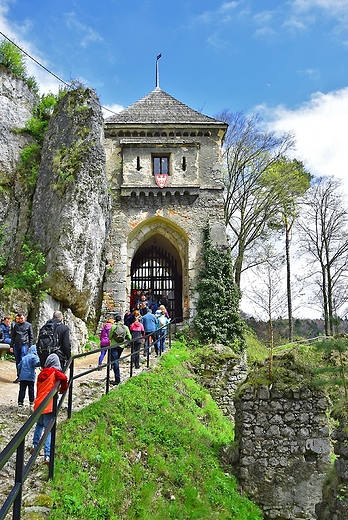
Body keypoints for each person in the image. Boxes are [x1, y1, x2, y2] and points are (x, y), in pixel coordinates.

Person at [30, 353, 68, 464]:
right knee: (48, 430)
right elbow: (64, 378)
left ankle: (34, 444)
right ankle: (47, 455)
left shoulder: (41, 373)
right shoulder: (55, 372)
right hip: (48, 406)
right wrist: (62, 390)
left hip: (38, 405)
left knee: (39, 425)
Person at [10, 311, 34, 383]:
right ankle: (19, 376)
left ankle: (23, 377)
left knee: (23, 360)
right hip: (17, 345)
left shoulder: (28, 325)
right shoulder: (16, 326)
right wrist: (11, 346)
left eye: (22, 318)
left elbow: (31, 337)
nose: (21, 319)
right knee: (17, 361)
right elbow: (13, 336)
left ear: (25, 317)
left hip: (24, 345)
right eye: (19, 318)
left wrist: (30, 346)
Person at [108, 315, 131, 386]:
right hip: (121, 346)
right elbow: (130, 337)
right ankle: (116, 376)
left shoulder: (113, 326)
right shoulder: (125, 327)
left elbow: (109, 337)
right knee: (116, 360)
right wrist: (125, 342)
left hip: (113, 345)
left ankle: (117, 379)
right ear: (121, 320)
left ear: (115, 320)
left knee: (115, 362)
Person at [17, 345, 41, 409]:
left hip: (22, 377)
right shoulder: (34, 357)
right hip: (30, 376)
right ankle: (31, 402)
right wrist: (41, 362)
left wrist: (19, 374)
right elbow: (35, 364)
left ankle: (20, 402)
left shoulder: (24, 357)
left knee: (22, 390)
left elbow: (19, 366)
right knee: (31, 389)